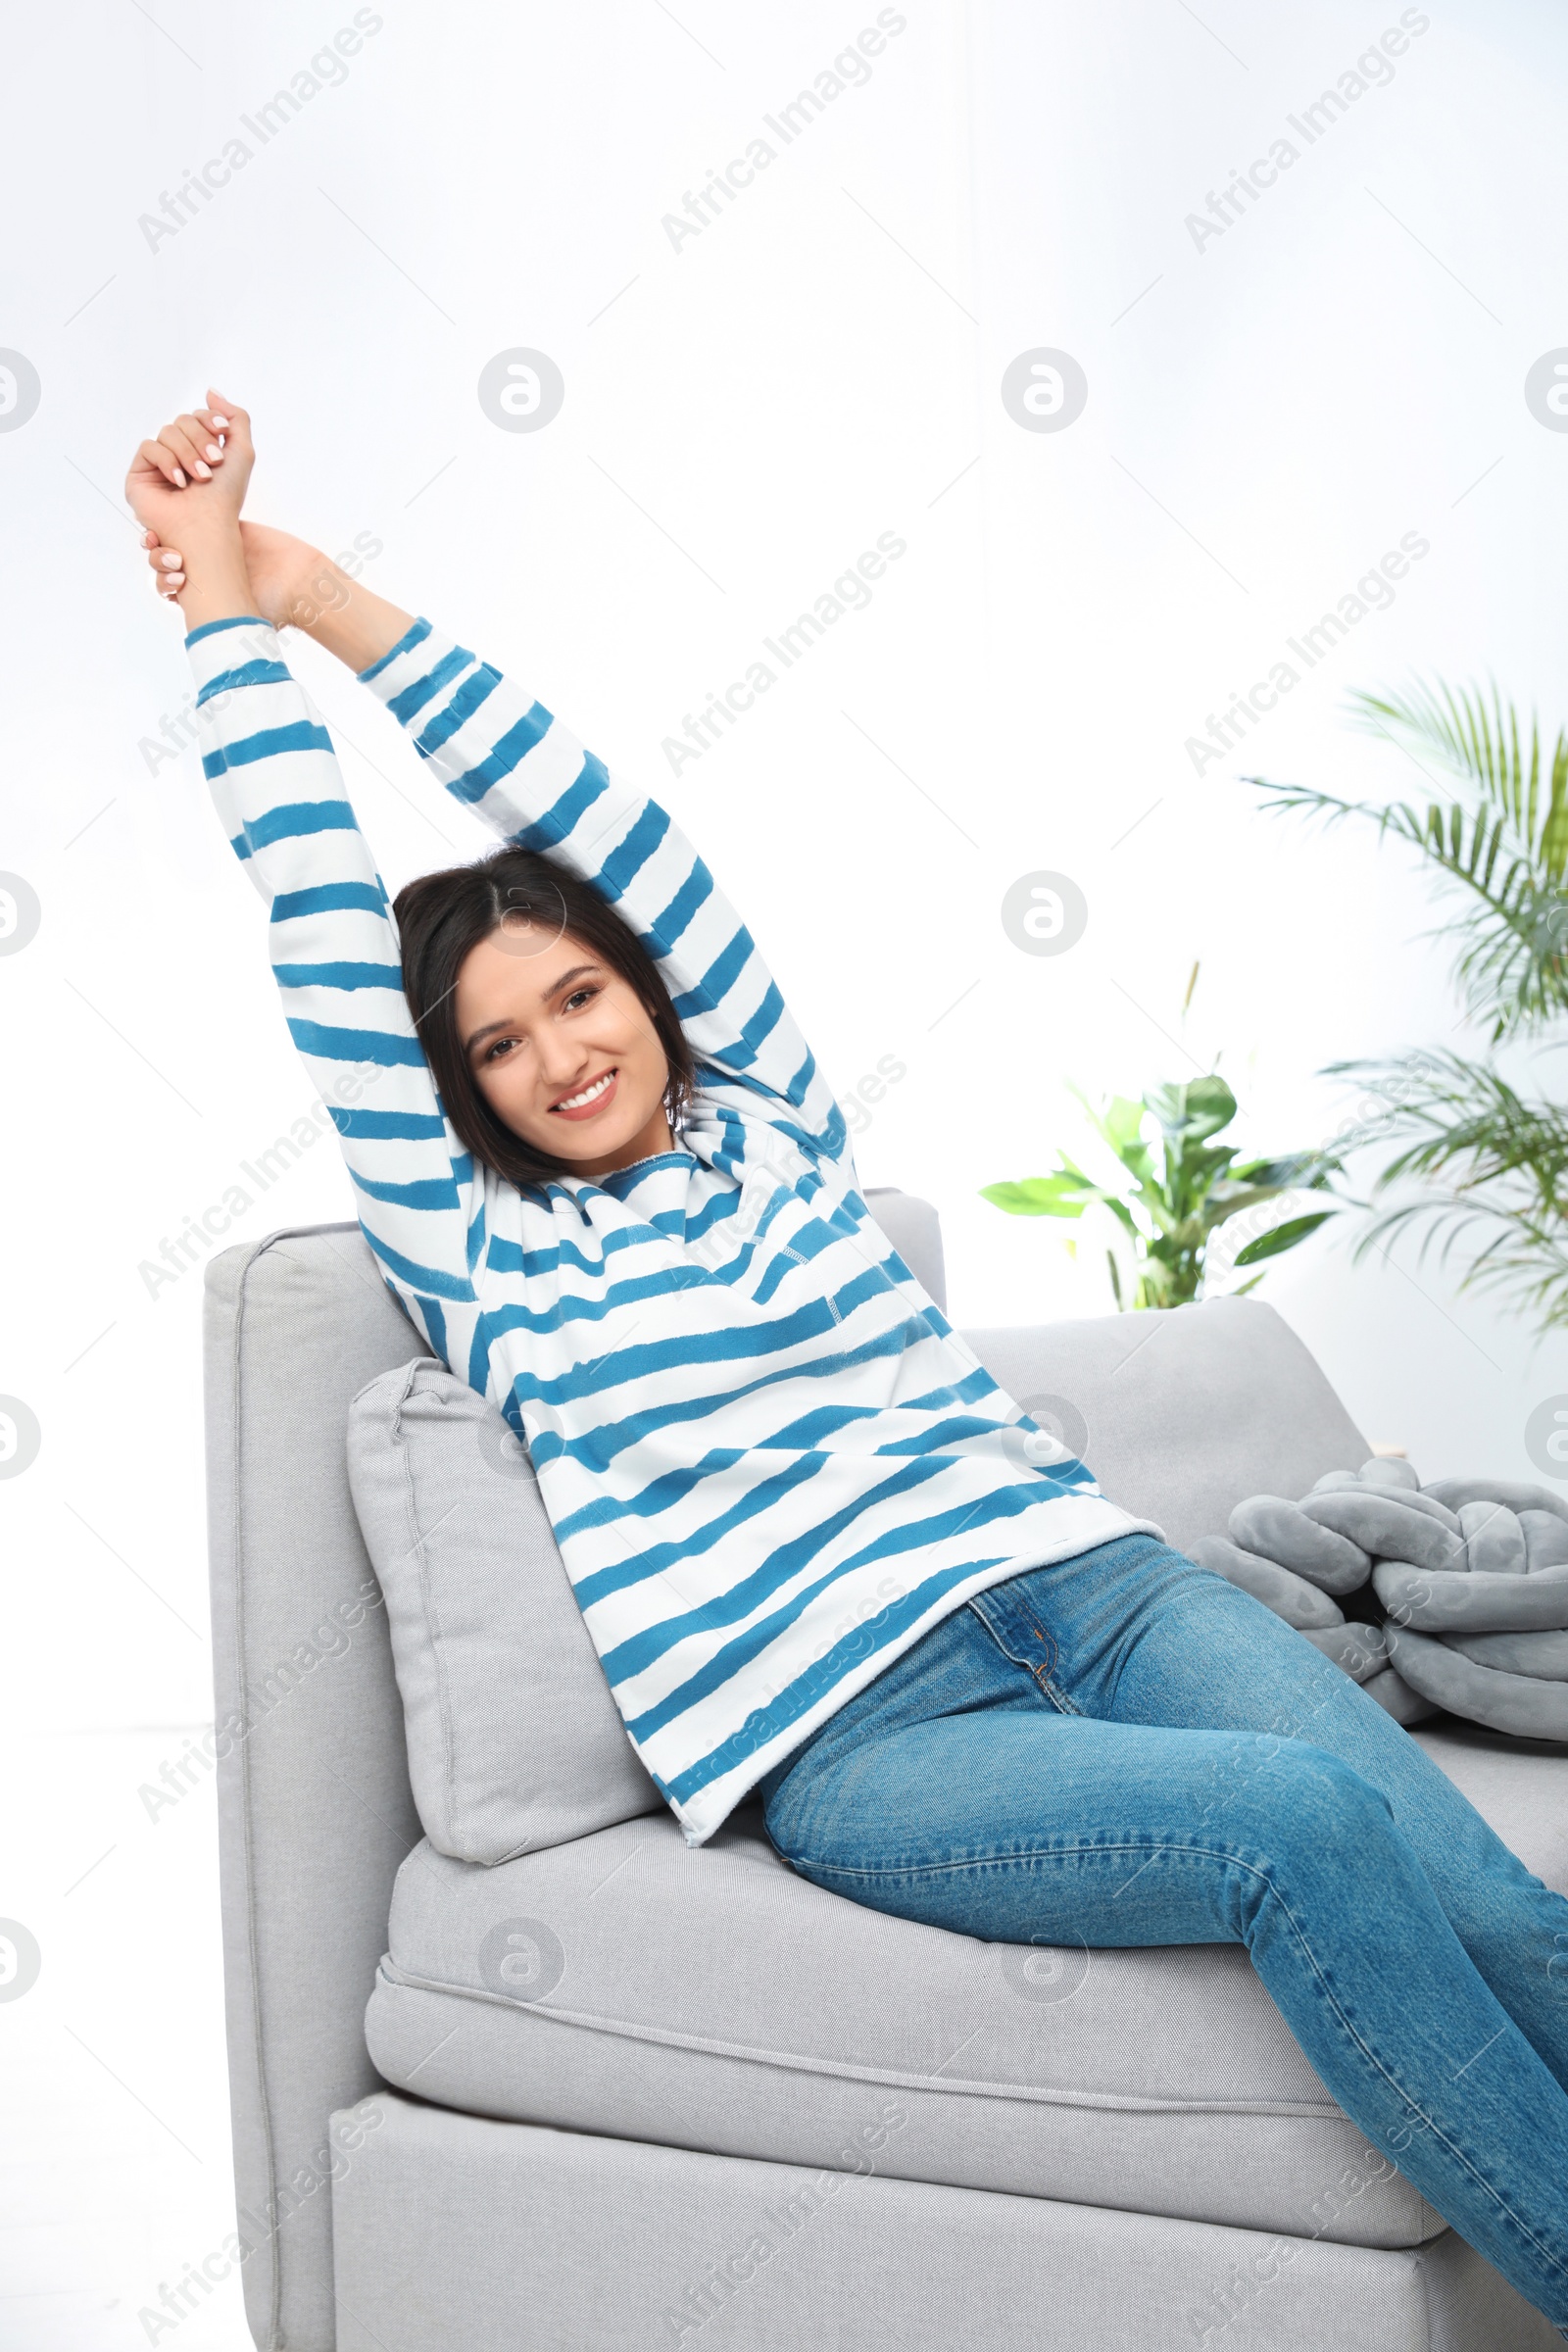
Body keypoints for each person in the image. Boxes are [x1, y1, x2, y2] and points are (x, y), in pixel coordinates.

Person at [127, 394, 1568, 2334]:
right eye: (496, 1045)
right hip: (864, 1736)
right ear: (452, 1090)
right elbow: (311, 894)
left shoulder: (769, 1120)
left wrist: (331, 596)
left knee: (1482, 1895)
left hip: (1095, 1592)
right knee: (1301, 1830)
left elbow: (607, 825)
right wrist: (221, 606)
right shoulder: (484, 1251)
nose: (559, 1052)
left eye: (577, 991)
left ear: (642, 988)